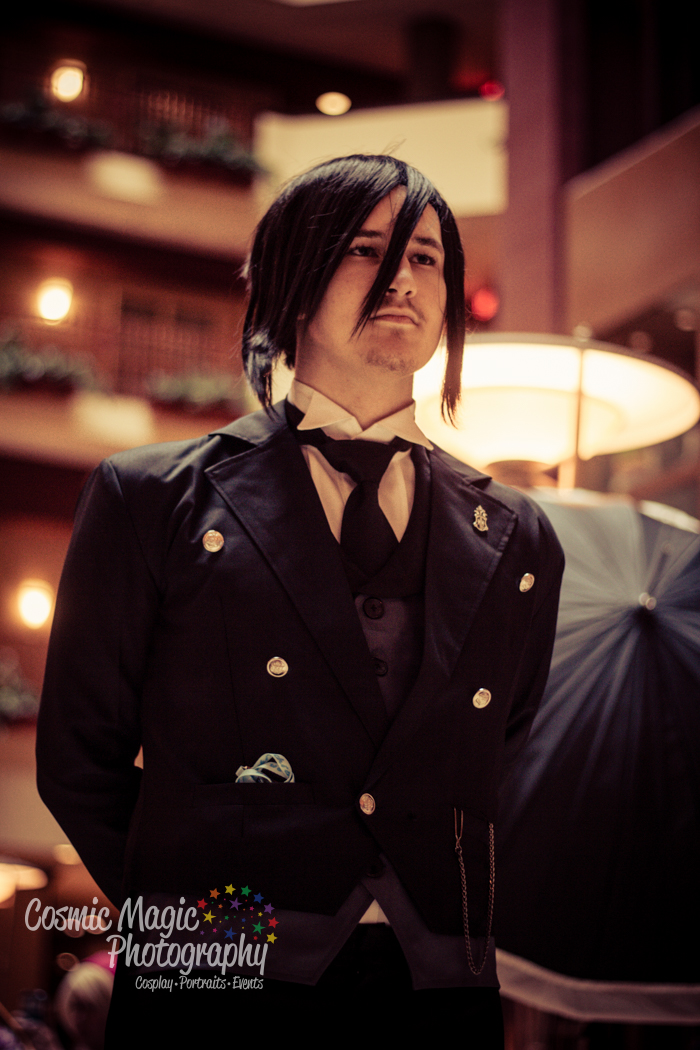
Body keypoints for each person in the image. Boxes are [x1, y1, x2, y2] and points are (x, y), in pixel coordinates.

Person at [36, 155, 564, 1042]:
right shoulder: (150, 499)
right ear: (294, 277)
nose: (403, 279)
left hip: (438, 987)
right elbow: (77, 759)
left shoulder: (520, 535)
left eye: (426, 258)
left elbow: (498, 755)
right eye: (367, 249)